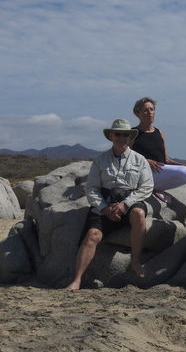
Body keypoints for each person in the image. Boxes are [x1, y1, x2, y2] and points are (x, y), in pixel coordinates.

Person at [64, 119, 154, 291]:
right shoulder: (100, 160)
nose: (122, 138)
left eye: (125, 134)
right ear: (111, 136)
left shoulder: (140, 160)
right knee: (92, 234)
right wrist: (104, 208)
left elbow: (147, 186)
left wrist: (125, 204)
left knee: (139, 215)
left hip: (130, 201)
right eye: (118, 134)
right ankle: (77, 280)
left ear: (130, 137)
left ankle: (135, 261)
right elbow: (91, 188)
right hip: (105, 202)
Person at [130, 97, 186, 218]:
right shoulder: (132, 133)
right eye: (145, 110)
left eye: (152, 109)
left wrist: (185, 165)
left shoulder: (159, 132)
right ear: (137, 113)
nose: (150, 112)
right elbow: (125, 157)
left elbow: (166, 159)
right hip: (145, 174)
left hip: (160, 174)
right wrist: (144, 160)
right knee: (184, 172)